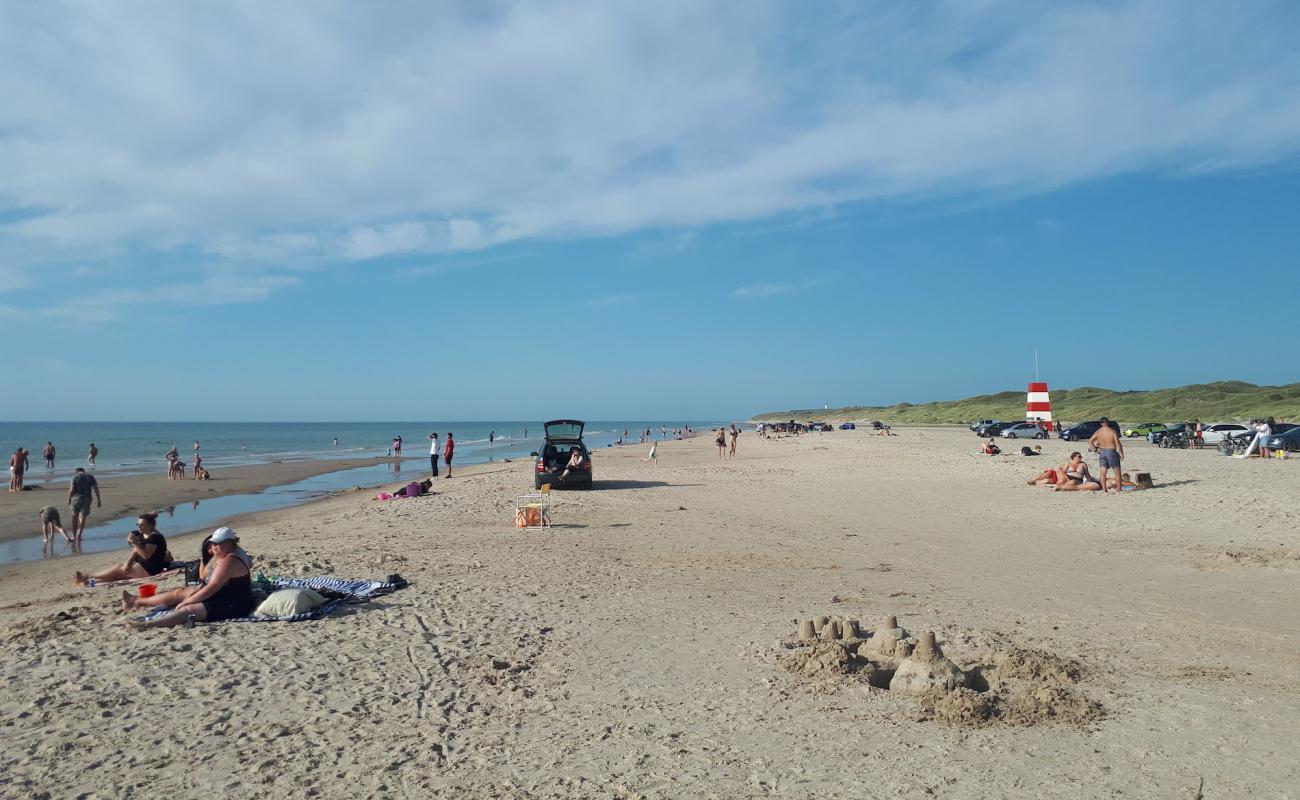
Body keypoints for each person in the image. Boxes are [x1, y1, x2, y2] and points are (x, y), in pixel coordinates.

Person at [128, 527, 252, 630]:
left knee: (187, 610)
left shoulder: (229, 560)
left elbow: (212, 587)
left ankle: (146, 625)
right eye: (213, 543)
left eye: (218, 543)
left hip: (233, 604)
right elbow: (205, 579)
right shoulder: (224, 554)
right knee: (180, 592)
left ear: (230, 543)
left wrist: (188, 601)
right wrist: (193, 594)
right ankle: (137, 601)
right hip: (223, 593)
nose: (214, 546)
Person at [75, 512, 170, 585]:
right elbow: (135, 552)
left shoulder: (155, 537)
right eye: (138, 525)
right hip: (141, 565)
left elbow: (146, 555)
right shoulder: (143, 534)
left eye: (142, 525)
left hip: (151, 569)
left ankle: (88, 576)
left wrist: (135, 543)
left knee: (118, 570)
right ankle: (90, 581)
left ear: (150, 525)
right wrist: (128, 562)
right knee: (119, 572)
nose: (139, 527)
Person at [1088, 418, 1124, 494]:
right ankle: (1119, 489)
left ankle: (1104, 490)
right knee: (1117, 471)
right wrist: (1121, 453)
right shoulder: (1112, 431)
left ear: (1101, 423)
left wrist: (1094, 449)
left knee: (1103, 472)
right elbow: (1118, 443)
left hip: (1102, 451)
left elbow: (1090, 441)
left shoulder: (1098, 431)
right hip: (1111, 451)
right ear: (1107, 422)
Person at [67, 466, 101, 541]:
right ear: (84, 471)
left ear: (76, 472)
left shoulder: (75, 476)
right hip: (87, 498)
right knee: (82, 517)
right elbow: (95, 488)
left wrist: (69, 498)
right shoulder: (90, 476)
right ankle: (79, 536)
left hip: (76, 498)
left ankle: (73, 536)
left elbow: (72, 489)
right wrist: (99, 500)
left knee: (74, 517)